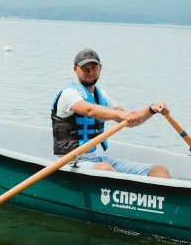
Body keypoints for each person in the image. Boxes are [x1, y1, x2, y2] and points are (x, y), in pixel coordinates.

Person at [51, 48, 172, 178]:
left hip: (101, 159)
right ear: (75, 69)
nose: (90, 72)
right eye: (85, 68)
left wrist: (152, 109)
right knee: (105, 169)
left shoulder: (101, 95)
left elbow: (131, 121)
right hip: (73, 161)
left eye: (94, 68)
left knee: (159, 171)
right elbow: (89, 110)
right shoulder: (69, 93)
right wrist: (120, 115)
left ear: (100, 68)